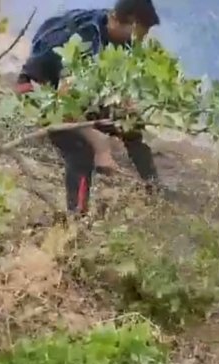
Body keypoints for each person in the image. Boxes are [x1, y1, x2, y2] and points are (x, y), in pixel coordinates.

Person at [14, 0, 161, 215]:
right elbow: (65, 105)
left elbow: (113, 81)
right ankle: (77, 216)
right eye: (138, 33)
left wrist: (126, 106)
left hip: (73, 95)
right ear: (121, 20)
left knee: (130, 124)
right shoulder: (84, 39)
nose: (139, 40)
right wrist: (100, 145)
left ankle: (155, 189)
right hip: (38, 92)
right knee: (81, 149)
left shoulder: (114, 32)